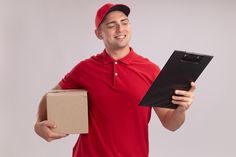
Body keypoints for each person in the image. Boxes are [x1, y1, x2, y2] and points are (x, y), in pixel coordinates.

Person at [34, 3, 196, 157]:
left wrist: (180, 110)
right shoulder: (85, 69)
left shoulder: (150, 70)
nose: (120, 29)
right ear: (99, 33)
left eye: (124, 22)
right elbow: (50, 96)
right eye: (111, 25)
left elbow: (170, 124)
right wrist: (38, 124)